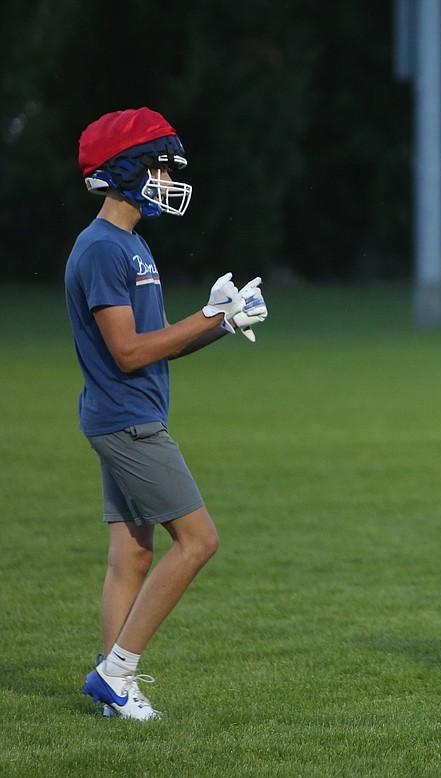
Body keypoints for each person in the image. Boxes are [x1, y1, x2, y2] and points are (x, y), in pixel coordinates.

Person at [65, 107, 269, 720]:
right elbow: (128, 353)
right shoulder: (103, 248)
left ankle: (113, 691)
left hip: (125, 414)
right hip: (129, 421)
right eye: (156, 168)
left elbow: (160, 342)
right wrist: (207, 319)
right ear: (122, 171)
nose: (166, 181)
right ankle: (117, 672)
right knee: (199, 541)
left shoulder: (130, 243)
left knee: (132, 554)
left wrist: (222, 323)